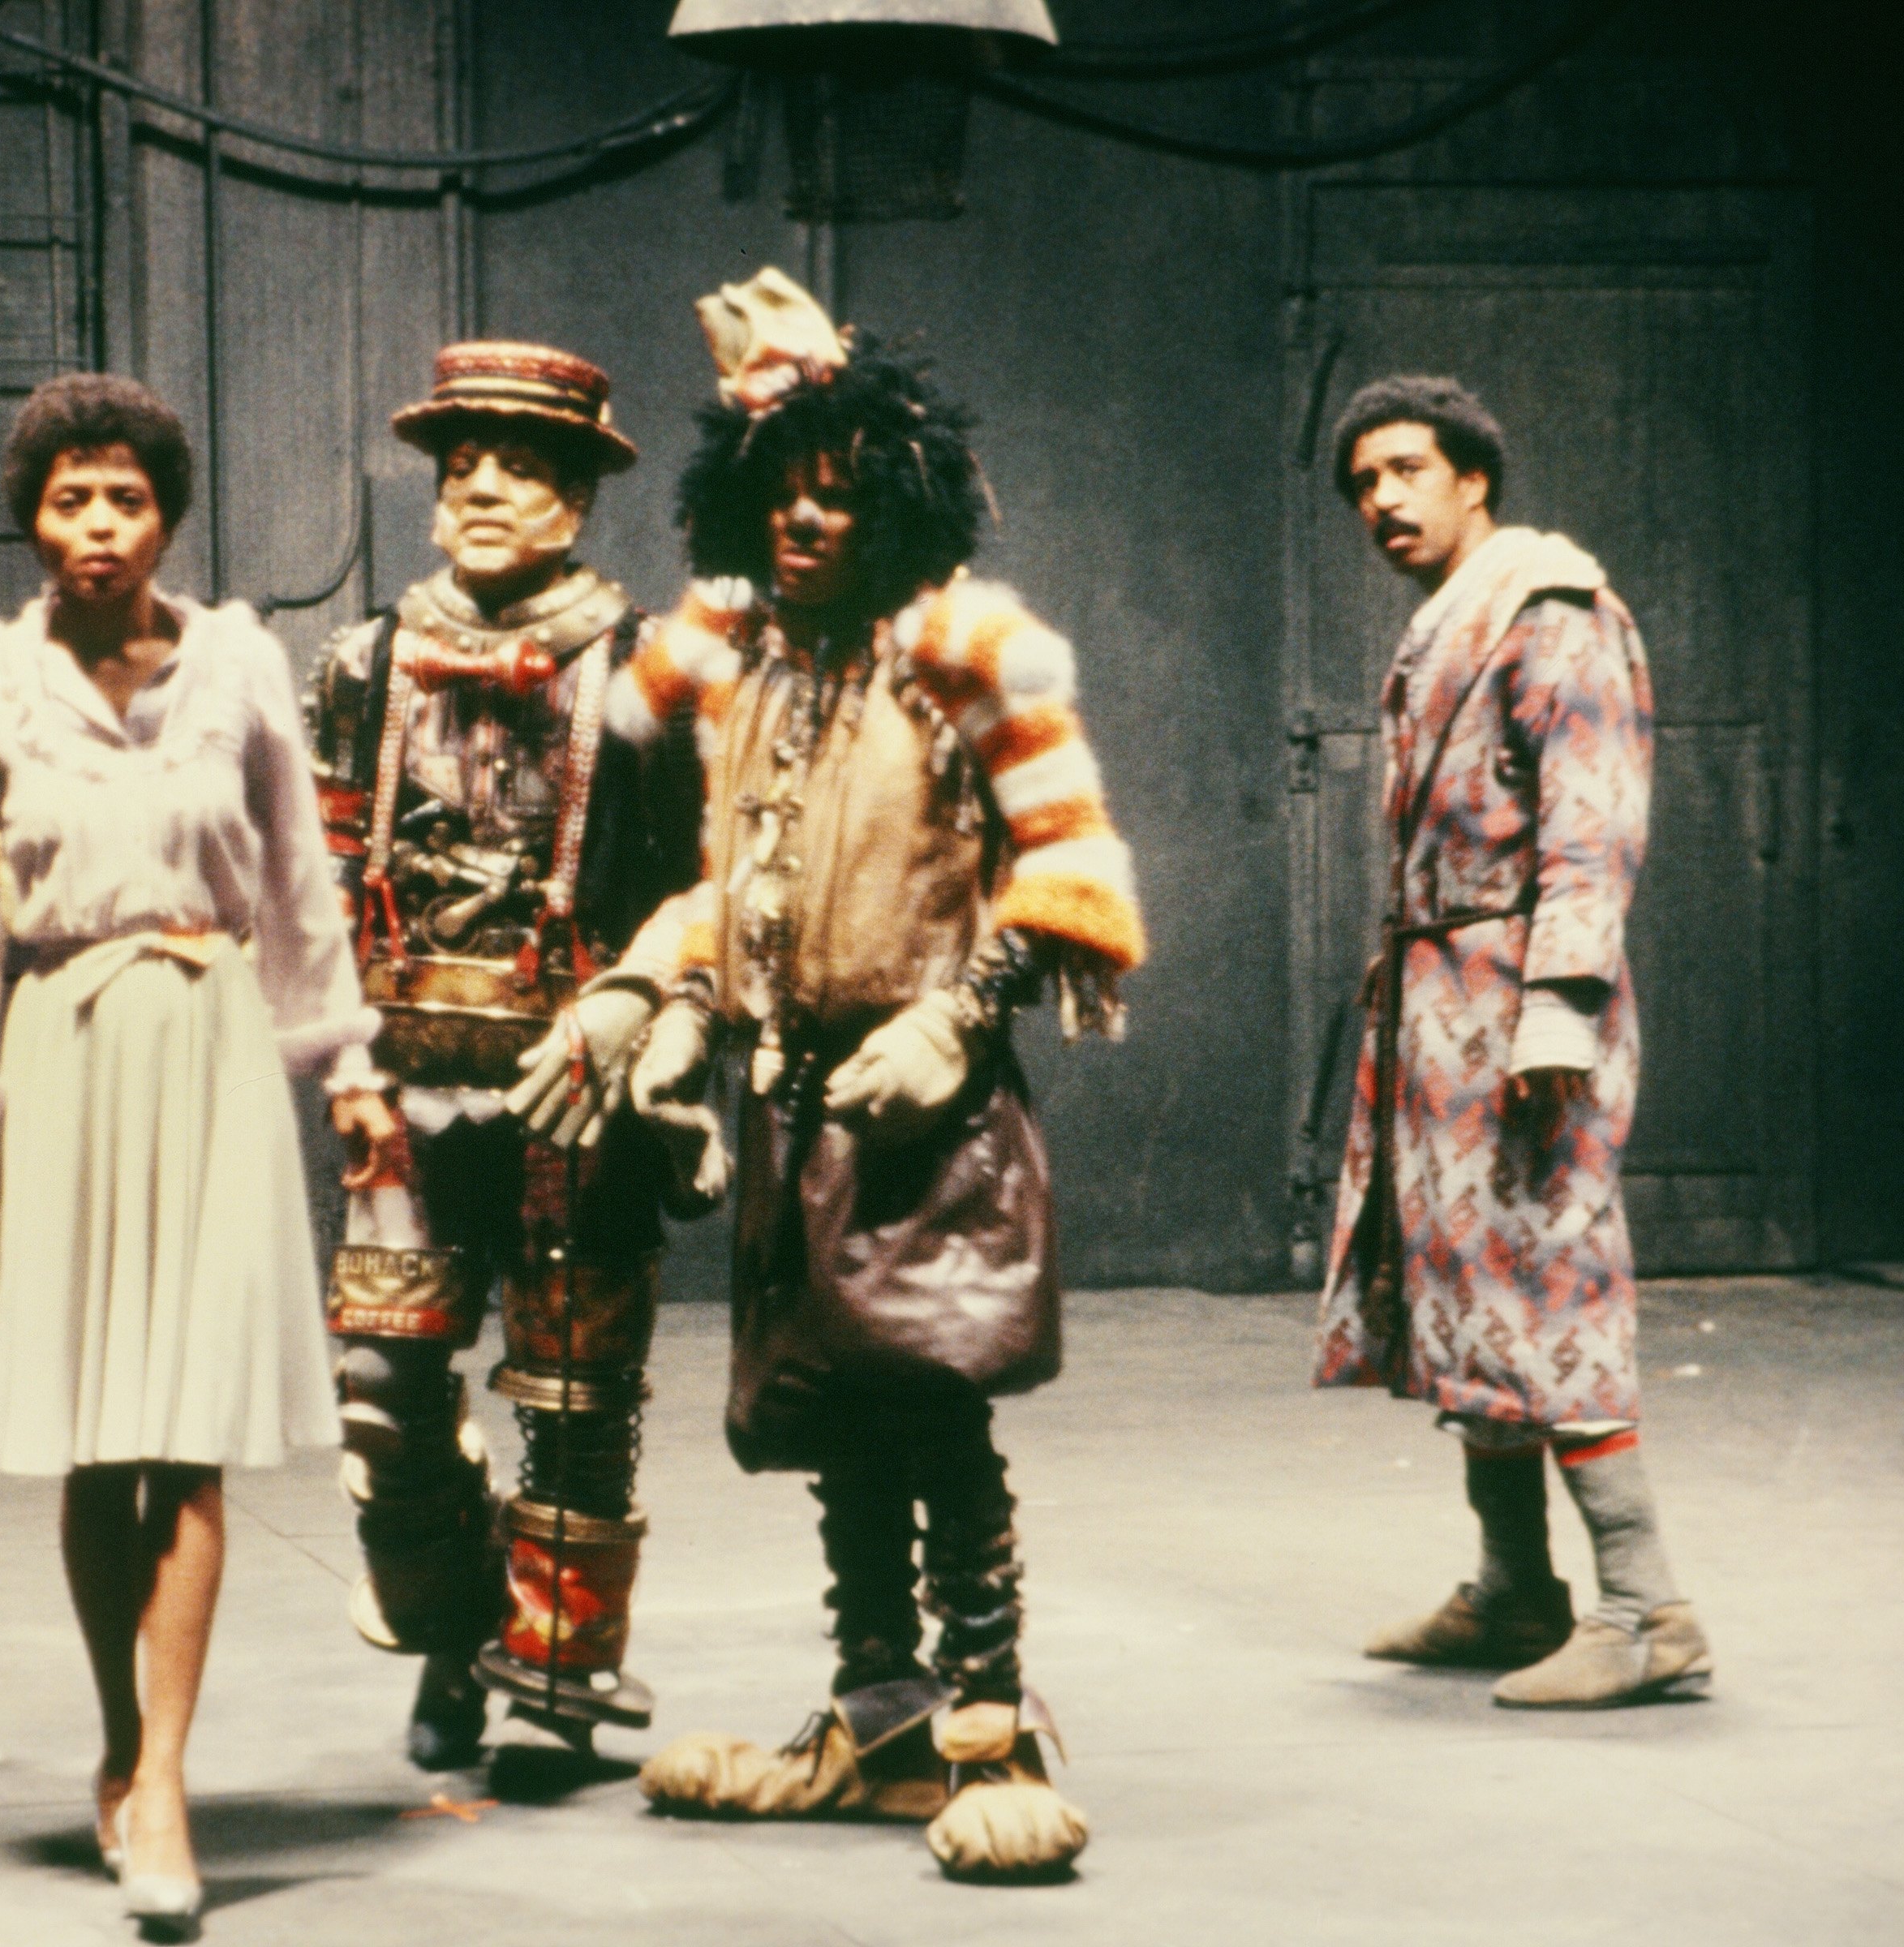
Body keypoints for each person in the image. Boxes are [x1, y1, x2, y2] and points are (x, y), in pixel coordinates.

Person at [528, 269, 1144, 1880]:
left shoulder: (965, 648)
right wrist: (666, 998)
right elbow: (733, 883)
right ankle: (879, 1714)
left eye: (842, 491)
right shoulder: (752, 665)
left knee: (932, 1405)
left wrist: (962, 1014)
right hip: (794, 1100)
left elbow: (1071, 867)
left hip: (923, 1103)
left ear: (896, 503)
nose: (806, 518)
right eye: (784, 489)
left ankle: (990, 1724)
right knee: (833, 1413)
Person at [0, 373, 396, 1932]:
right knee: (98, 1439)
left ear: (166, 517)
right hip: (65, 1050)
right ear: (32, 520)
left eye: (126, 499)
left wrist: (350, 1069)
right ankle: (116, 1739)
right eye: (70, 500)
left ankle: (164, 1779)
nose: (98, 526)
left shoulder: (241, 667)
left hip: (211, 1046)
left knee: (186, 1436)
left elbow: (301, 886)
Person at [305, 341, 707, 1768]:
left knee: (576, 1402)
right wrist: (332, 1051)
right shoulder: (362, 662)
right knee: (382, 1399)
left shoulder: (651, 672)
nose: (481, 488)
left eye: (520, 467)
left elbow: (707, 883)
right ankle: (455, 1623)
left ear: (579, 498)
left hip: (575, 1093)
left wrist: (655, 1016)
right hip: (401, 1090)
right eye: (462, 463)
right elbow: (320, 875)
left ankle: (555, 1672)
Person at [1314, 375, 1707, 1709]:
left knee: (1549, 1280)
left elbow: (1593, 824)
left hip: (1525, 1001)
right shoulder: (1449, 623)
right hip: (1444, 1002)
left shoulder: (1552, 609)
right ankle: (1515, 1586)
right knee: (1466, 1288)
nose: (1382, 500)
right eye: (1363, 484)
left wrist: (1556, 1011)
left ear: (1474, 478)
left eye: (1406, 471)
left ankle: (1649, 1611)